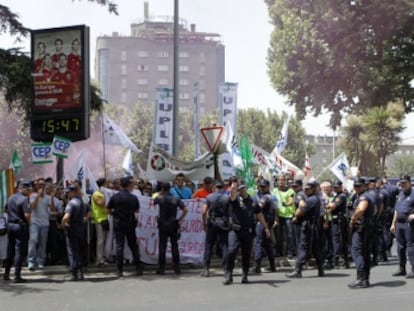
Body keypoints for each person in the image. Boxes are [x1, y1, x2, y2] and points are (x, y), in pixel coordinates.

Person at [223, 182, 271, 285]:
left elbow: (259, 214)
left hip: (248, 231)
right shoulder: (236, 200)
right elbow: (231, 197)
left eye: (243, 188)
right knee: (231, 251)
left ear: (245, 188)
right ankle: (228, 274)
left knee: (246, 254)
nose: (241, 190)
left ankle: (245, 274)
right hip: (235, 230)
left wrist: (266, 227)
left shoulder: (253, 201)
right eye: (239, 189)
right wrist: (233, 189)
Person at [286, 181, 324, 278]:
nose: (306, 190)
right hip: (313, 225)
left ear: (314, 189)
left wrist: (296, 215)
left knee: (303, 247)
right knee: (316, 248)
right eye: (305, 189)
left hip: (308, 226)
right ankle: (321, 269)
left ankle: (298, 270)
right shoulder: (315, 198)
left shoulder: (311, 199)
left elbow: (300, 211)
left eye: (308, 189)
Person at [107, 176, 143, 277]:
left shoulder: (115, 197)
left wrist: (116, 212)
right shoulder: (133, 197)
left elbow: (109, 209)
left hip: (119, 223)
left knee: (119, 246)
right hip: (130, 224)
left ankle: (119, 270)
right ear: (128, 185)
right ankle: (138, 268)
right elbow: (137, 210)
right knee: (133, 246)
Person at [154, 182, 188, 275]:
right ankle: (177, 268)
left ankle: (161, 268)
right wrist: (179, 219)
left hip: (163, 224)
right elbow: (185, 210)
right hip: (173, 224)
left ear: (162, 189)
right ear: (170, 189)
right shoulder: (176, 198)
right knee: (174, 246)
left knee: (162, 246)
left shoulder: (159, 198)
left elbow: (151, 204)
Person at [348, 178, 376, 288]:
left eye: (359, 186)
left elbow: (360, 209)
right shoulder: (367, 196)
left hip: (361, 227)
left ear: (365, 186)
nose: (357, 188)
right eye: (355, 186)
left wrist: (353, 219)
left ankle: (360, 278)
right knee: (365, 253)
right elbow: (375, 210)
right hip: (366, 226)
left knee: (356, 251)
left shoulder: (364, 197)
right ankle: (365, 279)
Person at [3, 180, 31, 283]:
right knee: (20, 251)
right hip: (20, 226)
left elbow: (5, 209)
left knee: (10, 250)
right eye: (28, 189)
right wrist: (29, 223)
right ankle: (17, 276)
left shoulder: (11, 197)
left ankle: (6, 273)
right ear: (24, 188)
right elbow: (27, 215)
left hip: (10, 225)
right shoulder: (24, 200)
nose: (29, 192)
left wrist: (13, 216)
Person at [200, 180, 229, 277]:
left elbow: (204, 212)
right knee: (224, 245)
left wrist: (204, 223)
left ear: (214, 187)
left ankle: (206, 269)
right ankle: (226, 269)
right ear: (222, 187)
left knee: (208, 245)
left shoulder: (209, 197)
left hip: (212, 223)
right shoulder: (226, 197)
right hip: (223, 222)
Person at [28, 177, 56, 270]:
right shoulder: (32, 195)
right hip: (34, 222)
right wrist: (37, 196)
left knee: (42, 243)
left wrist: (51, 197)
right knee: (33, 240)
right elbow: (32, 206)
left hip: (45, 223)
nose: (42, 186)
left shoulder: (47, 197)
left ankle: (40, 261)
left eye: (43, 185)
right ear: (36, 186)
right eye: (40, 185)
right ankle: (31, 261)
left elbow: (52, 209)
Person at [61, 184, 88, 281]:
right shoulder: (82, 202)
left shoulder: (71, 203)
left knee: (72, 251)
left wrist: (63, 224)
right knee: (79, 251)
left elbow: (66, 217)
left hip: (72, 229)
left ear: (73, 192)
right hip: (81, 229)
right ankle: (80, 272)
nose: (67, 194)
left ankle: (74, 273)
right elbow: (88, 212)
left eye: (68, 192)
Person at [390, 175, 414, 278]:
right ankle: (402, 268)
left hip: (409, 224)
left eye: (405, 183)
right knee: (400, 247)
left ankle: (413, 269)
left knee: (410, 246)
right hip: (399, 224)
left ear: (409, 183)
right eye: (401, 183)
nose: (403, 185)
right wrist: (393, 223)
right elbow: (396, 209)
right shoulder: (400, 194)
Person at [253, 179, 278, 273]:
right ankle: (272, 265)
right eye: (261, 186)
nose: (262, 188)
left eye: (263, 187)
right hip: (268, 223)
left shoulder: (265, 197)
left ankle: (256, 266)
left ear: (268, 187)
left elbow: (259, 206)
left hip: (263, 223)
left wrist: (250, 207)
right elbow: (276, 209)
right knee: (267, 245)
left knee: (258, 243)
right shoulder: (272, 197)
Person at [326, 180, 349, 268]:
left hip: (339, 220)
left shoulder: (341, 196)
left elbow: (332, 206)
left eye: (337, 187)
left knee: (338, 240)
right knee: (338, 239)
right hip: (336, 219)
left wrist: (329, 205)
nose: (335, 188)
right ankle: (341, 259)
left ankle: (338, 259)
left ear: (340, 187)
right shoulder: (337, 196)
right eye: (334, 187)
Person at [273, 174, 296, 258]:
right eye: (279, 180)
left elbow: (291, 201)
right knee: (278, 235)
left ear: (285, 181)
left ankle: (290, 252)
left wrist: (285, 204)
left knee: (289, 234)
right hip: (279, 215)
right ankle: (279, 252)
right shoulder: (275, 191)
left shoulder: (290, 191)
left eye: (282, 180)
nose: (280, 181)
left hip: (288, 216)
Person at [90, 178, 109, 267]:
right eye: (105, 184)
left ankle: (102, 257)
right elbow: (101, 203)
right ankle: (99, 259)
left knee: (104, 239)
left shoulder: (102, 193)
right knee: (100, 240)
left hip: (104, 218)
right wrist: (106, 197)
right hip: (98, 219)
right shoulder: (97, 194)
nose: (107, 186)